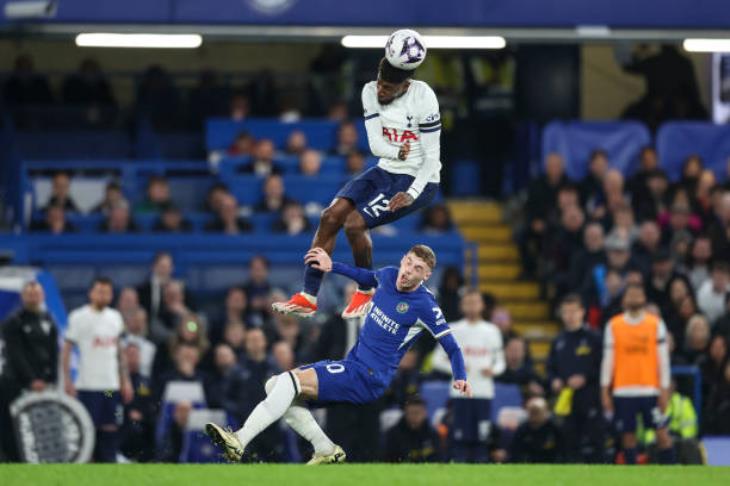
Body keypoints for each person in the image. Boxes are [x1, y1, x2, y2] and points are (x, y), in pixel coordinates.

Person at [206, 245, 471, 464]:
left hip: (369, 376)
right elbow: (366, 277)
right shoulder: (389, 275)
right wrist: (333, 265)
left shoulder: (425, 305)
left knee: (287, 382)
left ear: (426, 276)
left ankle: (239, 440)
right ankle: (324, 448)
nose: (409, 271)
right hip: (353, 365)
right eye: (409, 263)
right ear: (403, 259)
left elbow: (452, 346)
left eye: (418, 269)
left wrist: (460, 376)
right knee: (275, 385)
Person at [273, 50, 443, 320]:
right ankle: (308, 296)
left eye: (387, 87)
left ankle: (366, 291)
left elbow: (432, 158)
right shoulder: (369, 92)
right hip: (386, 169)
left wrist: (411, 193)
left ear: (405, 86)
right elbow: (375, 144)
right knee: (330, 216)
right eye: (379, 82)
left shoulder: (423, 97)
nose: (380, 90)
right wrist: (397, 152)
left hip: (419, 180)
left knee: (354, 223)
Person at [600, 283, 675, 465]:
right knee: (628, 435)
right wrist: (604, 390)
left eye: (638, 294)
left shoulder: (655, 324)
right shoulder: (614, 325)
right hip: (623, 389)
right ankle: (632, 475)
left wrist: (664, 388)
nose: (634, 298)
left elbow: (663, 360)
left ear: (644, 299)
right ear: (624, 300)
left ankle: (671, 473)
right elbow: (608, 360)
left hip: (650, 389)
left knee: (662, 433)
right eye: (630, 294)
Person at [62, 277, 133, 463]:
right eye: (100, 291)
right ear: (91, 293)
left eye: (107, 292)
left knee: (111, 425)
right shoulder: (78, 317)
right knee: (87, 429)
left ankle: (108, 464)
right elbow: (67, 350)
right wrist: (68, 380)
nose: (103, 296)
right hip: (87, 386)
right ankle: (88, 466)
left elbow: (120, 351)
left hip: (110, 387)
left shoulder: (115, 317)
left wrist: (125, 380)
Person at [431, 289, 505, 462]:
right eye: (468, 302)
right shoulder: (453, 329)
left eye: (475, 302)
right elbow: (436, 360)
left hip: (483, 392)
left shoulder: (492, 330)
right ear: (462, 305)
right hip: (460, 393)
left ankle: (481, 472)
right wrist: (457, 368)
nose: (472, 306)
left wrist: (493, 370)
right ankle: (458, 471)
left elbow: (500, 362)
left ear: (482, 305)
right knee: (459, 437)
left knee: (482, 437)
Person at [0, 281, 59, 461]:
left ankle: (40, 459)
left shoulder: (49, 320)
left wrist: (52, 379)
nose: (33, 296)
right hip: (13, 382)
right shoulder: (13, 322)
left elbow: (53, 353)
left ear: (43, 296)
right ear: (23, 297)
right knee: (11, 425)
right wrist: (31, 379)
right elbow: (15, 354)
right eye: (29, 293)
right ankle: (12, 460)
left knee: (40, 423)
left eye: (37, 293)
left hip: (42, 384)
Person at [547, 294, 604, 463]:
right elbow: (551, 367)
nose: (570, 316)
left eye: (573, 312)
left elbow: (603, 366)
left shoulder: (594, 338)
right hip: (566, 399)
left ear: (582, 312)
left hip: (590, 397)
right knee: (569, 442)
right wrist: (554, 380)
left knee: (594, 441)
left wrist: (585, 378)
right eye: (566, 312)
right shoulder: (559, 340)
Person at [383, 396, 441, 463]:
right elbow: (388, 461)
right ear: (405, 413)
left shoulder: (432, 434)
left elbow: (439, 460)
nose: (414, 417)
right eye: (411, 413)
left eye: (417, 413)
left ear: (425, 413)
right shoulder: (393, 434)